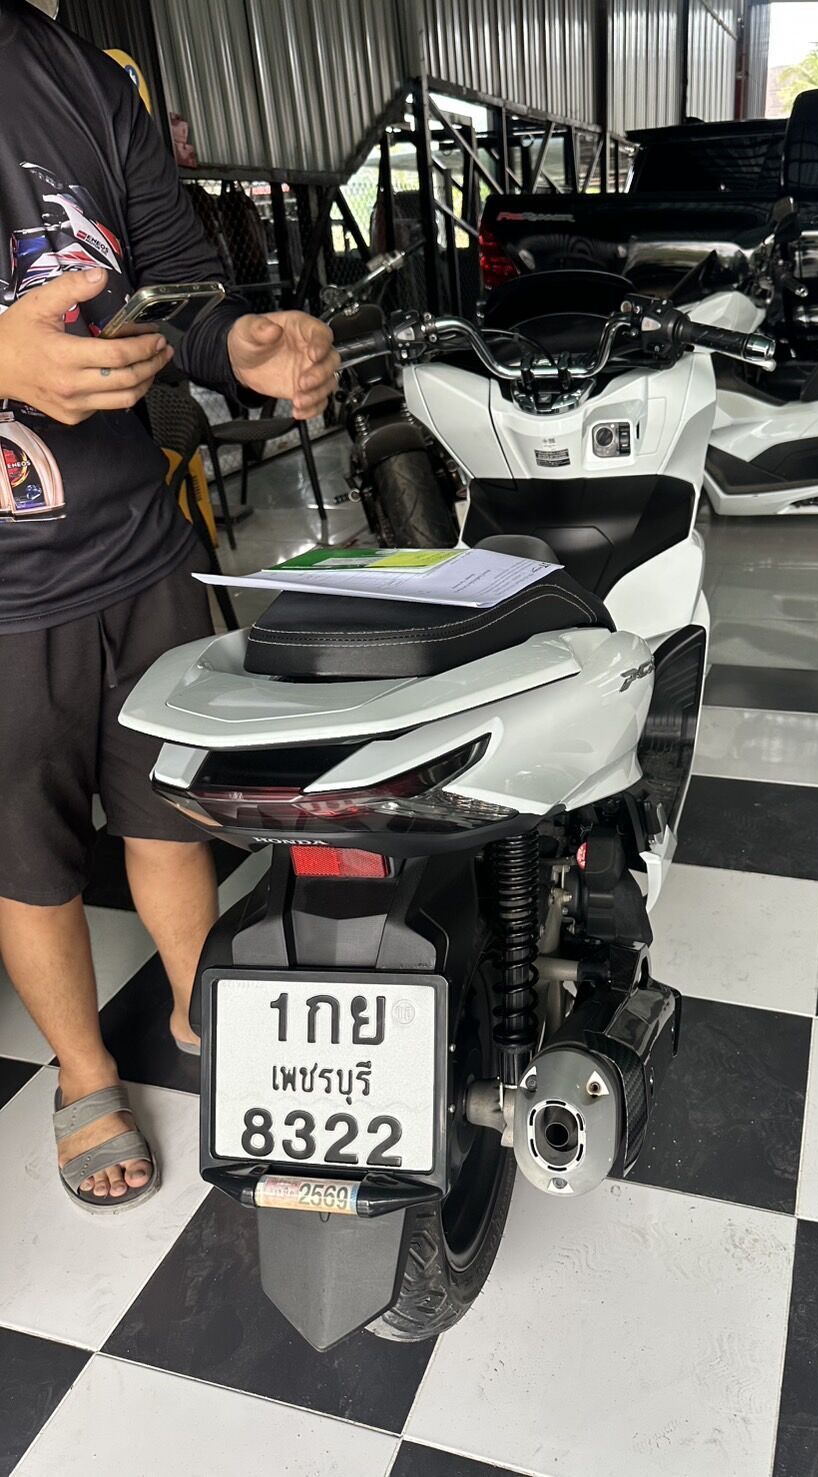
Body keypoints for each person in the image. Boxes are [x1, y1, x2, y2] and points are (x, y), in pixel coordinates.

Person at [0, 0, 340, 1208]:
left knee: (164, 811)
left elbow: (179, 288)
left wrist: (240, 341)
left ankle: (204, 1005)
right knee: (29, 858)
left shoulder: (85, 78)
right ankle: (85, 1071)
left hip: (140, 546)